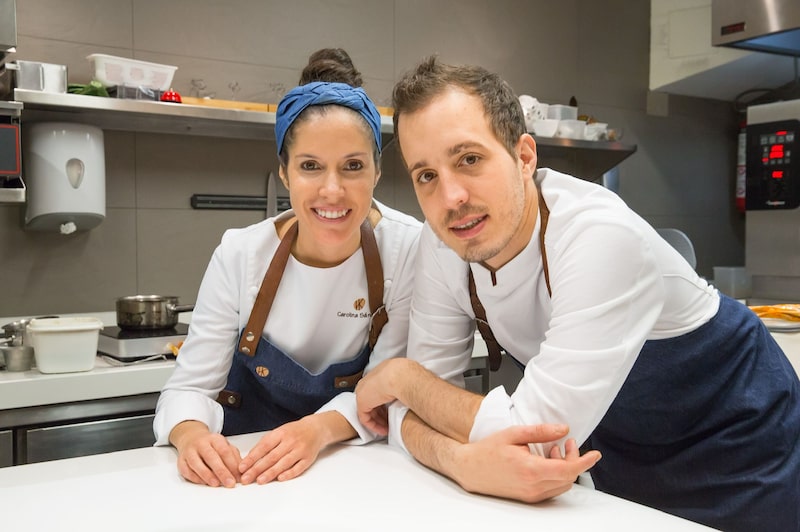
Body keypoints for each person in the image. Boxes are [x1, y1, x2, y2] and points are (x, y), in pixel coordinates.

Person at [355, 56, 800, 532]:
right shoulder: (442, 247)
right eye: (426, 175)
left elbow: (527, 432)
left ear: (525, 157)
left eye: (469, 159)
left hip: (738, 447)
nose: (451, 198)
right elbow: (413, 417)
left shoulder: (599, 235)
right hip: (616, 456)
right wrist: (461, 461)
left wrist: (400, 377)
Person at [152, 49, 423, 488]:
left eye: (353, 166)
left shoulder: (408, 248)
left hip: (359, 475)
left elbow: (388, 389)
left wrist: (317, 430)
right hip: (247, 476)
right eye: (310, 167)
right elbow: (186, 390)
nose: (331, 190)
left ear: (376, 173)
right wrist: (191, 436)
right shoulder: (240, 254)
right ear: (284, 174)